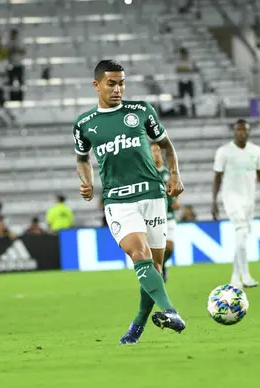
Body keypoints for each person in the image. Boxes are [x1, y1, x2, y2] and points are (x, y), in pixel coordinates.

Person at [74, 59, 186, 345]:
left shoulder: (141, 111)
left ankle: (137, 326)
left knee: (155, 268)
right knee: (139, 254)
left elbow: (166, 145)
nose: (118, 89)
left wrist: (174, 174)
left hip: (153, 194)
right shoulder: (85, 124)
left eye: (121, 83)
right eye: (111, 83)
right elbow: (82, 159)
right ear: (96, 85)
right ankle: (170, 311)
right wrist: (86, 182)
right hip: (118, 199)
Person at [212, 119, 260, 288]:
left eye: (244, 130)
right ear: (234, 132)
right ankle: (246, 276)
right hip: (230, 198)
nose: (241, 133)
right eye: (238, 130)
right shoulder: (224, 152)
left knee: (242, 237)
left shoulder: (255, 150)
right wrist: (214, 201)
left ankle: (235, 278)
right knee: (240, 230)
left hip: (249, 199)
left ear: (249, 132)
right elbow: (217, 178)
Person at [151, 143, 179, 282]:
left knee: (169, 247)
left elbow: (176, 186)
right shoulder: (147, 172)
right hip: (154, 216)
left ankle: (162, 265)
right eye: (152, 151)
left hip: (169, 214)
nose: (155, 153)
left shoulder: (168, 171)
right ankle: (157, 268)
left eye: (157, 150)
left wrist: (176, 199)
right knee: (157, 247)